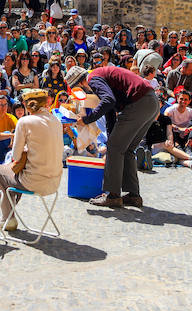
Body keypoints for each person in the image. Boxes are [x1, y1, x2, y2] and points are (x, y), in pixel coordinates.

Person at [65, 65, 161, 207]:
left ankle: (113, 196)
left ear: (80, 83)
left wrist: (86, 120)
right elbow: (110, 110)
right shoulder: (101, 77)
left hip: (139, 103)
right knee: (126, 149)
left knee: (115, 149)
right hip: (151, 102)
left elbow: (108, 101)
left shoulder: (93, 78)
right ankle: (133, 195)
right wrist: (111, 137)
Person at [0, 89, 63, 231]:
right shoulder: (56, 120)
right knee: (11, 175)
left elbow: (16, 157)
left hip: (34, 182)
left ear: (27, 105)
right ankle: (9, 214)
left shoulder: (25, 121)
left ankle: (7, 218)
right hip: (55, 182)